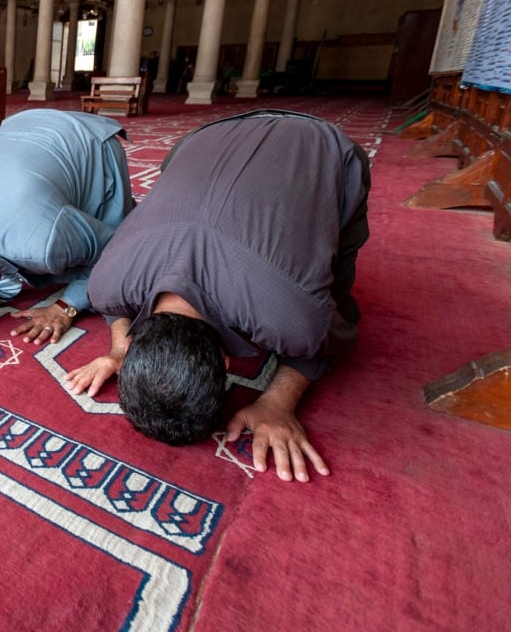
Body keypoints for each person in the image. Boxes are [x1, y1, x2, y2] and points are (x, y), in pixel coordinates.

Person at [69, 109, 371, 484]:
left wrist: (278, 402)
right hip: (202, 138)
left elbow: (330, 336)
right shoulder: (106, 282)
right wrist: (116, 351)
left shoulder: (290, 318)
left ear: (226, 363)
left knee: (334, 276)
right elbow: (114, 308)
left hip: (321, 145)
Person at [0, 109, 134, 341]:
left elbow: (116, 249)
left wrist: (66, 306)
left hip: (89, 139)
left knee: (118, 235)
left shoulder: (43, 247)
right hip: (19, 121)